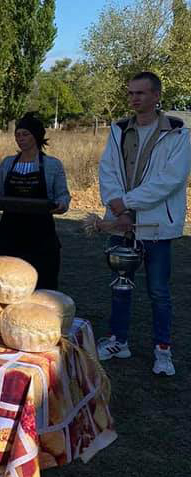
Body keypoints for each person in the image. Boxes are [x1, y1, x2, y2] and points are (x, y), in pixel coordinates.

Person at [96, 71, 190, 376]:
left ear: (156, 96)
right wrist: (116, 207)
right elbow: (108, 170)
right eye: (131, 93)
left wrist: (129, 203)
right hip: (122, 222)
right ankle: (118, 341)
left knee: (159, 291)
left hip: (156, 226)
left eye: (141, 93)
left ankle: (163, 350)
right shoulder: (119, 129)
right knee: (120, 286)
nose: (134, 98)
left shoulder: (179, 133)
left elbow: (170, 181)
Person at [0, 113, 71, 289]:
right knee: (6, 283)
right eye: (17, 135)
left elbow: (63, 195)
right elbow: (0, 195)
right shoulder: (7, 163)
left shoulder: (52, 165)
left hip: (41, 236)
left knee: (41, 286)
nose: (20, 139)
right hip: (8, 234)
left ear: (37, 136)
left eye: (25, 134)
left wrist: (61, 205)